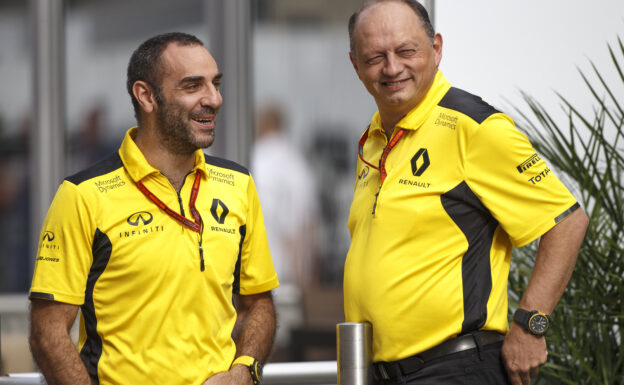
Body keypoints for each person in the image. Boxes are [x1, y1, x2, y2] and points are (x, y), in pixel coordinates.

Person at [342, 2, 588, 385]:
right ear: (355, 65)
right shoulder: (374, 140)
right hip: (385, 373)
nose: (392, 68)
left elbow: (567, 222)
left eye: (407, 51)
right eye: (375, 57)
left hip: (455, 369)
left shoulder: (473, 127)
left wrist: (531, 324)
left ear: (436, 49)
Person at [28, 32, 279, 385]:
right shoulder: (82, 195)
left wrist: (244, 370)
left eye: (215, 84)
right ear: (146, 96)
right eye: (193, 86)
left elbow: (259, 305)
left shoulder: (238, 184)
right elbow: (48, 333)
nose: (215, 99)